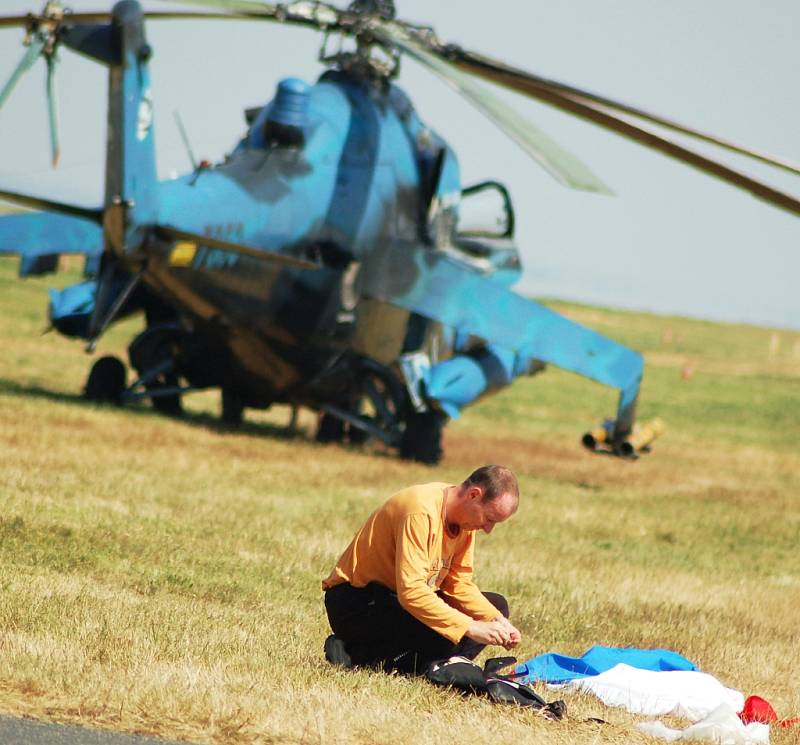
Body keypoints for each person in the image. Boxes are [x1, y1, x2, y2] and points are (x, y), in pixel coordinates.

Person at [322, 464, 522, 674]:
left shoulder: (465, 520)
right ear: (474, 495)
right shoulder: (420, 511)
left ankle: (423, 662)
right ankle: (360, 654)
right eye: (489, 519)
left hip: (396, 600)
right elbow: (411, 592)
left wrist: (495, 619)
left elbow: (458, 583)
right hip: (357, 603)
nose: (488, 529)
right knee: (442, 630)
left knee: (496, 605)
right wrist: (470, 626)